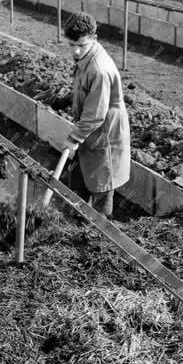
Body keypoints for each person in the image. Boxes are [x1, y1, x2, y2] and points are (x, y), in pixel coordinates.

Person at [61, 12, 130, 218]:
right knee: (78, 182)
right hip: (90, 134)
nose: (75, 51)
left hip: (104, 137)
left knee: (101, 189)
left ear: (94, 39)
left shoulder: (99, 69)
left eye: (81, 45)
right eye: (71, 44)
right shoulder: (86, 58)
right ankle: (74, 222)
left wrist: (74, 138)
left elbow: (95, 114)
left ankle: (97, 237)